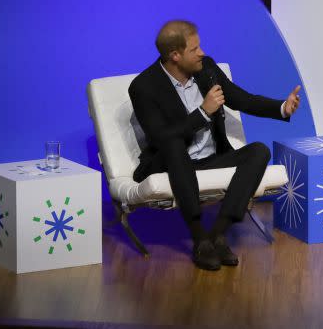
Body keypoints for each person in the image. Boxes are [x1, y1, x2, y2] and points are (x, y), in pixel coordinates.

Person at [129, 20, 302, 270]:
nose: (202, 53)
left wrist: (282, 108)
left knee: (259, 151)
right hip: (173, 163)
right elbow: (161, 138)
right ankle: (199, 238)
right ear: (175, 55)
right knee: (175, 147)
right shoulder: (144, 86)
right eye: (194, 49)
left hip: (211, 159)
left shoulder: (206, 69)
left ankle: (218, 235)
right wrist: (202, 113)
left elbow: (241, 98)